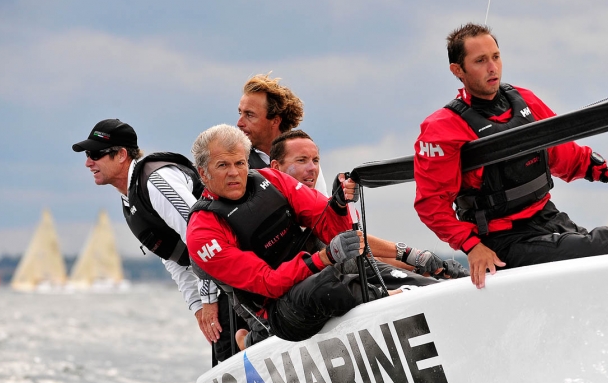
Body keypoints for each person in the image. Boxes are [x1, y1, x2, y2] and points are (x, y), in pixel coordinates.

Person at [413, 23, 608, 290]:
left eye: (496, 57)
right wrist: (472, 246)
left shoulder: (524, 101)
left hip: (549, 218)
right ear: (457, 70)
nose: (492, 67)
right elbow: (431, 204)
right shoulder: (441, 128)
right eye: (480, 61)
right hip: (504, 240)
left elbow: (564, 152)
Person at [186, 124, 393, 343]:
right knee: (323, 286)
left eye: (239, 163)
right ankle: (249, 340)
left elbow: (333, 229)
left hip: (311, 270)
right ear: (203, 173)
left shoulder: (273, 180)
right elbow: (269, 283)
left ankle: (416, 285)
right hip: (278, 307)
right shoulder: (202, 231)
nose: (234, 172)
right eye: (223, 165)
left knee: (364, 266)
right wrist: (325, 257)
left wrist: (339, 205)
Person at [72, 119, 242, 364]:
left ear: (121, 155)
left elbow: (203, 240)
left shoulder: (156, 181)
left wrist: (208, 300)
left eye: (96, 154)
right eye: (88, 155)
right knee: (225, 363)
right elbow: (173, 257)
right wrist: (197, 307)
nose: (88, 162)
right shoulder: (130, 198)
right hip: (218, 282)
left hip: (235, 276)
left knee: (231, 367)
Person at [269, 129, 470, 282]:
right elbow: (350, 259)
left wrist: (418, 264)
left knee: (424, 278)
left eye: (315, 160)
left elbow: (359, 251)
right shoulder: (268, 211)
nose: (312, 169)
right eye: (302, 160)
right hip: (299, 303)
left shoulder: (313, 206)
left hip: (334, 284)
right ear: (276, 168)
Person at [236, 73, 329, 195]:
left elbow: (322, 209)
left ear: (275, 121)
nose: (239, 123)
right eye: (240, 113)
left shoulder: (307, 162)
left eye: (249, 115)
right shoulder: (234, 160)